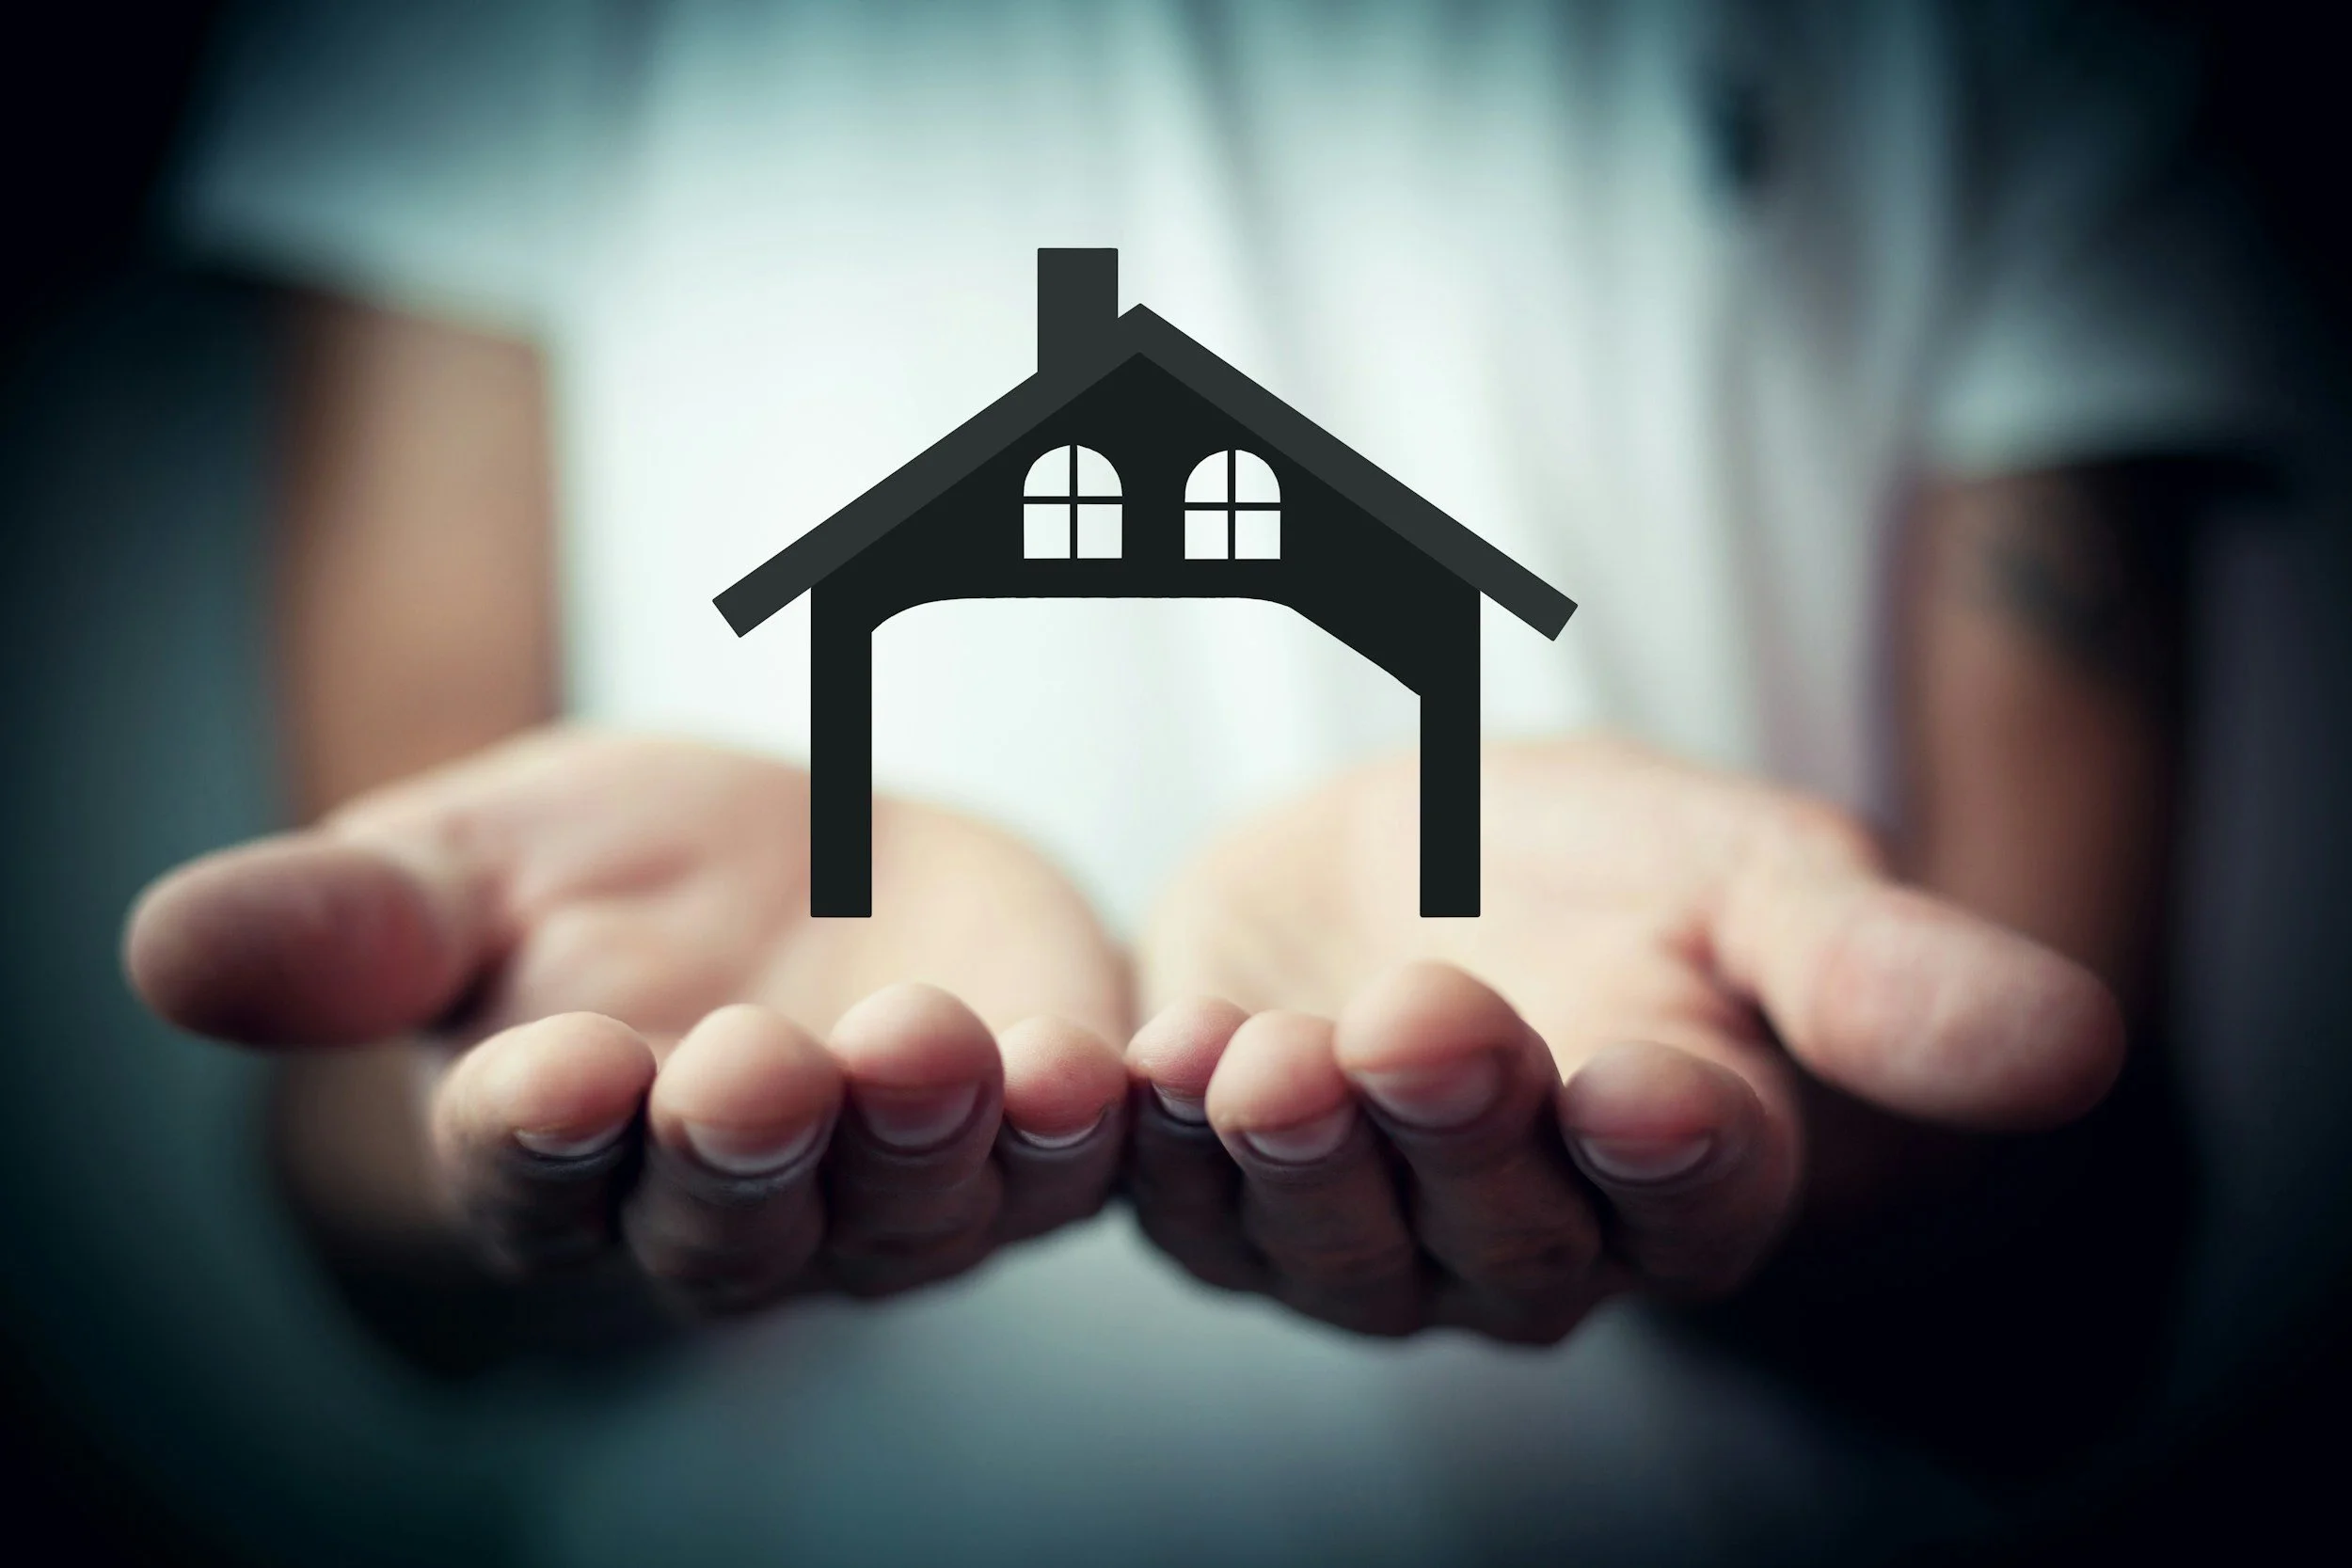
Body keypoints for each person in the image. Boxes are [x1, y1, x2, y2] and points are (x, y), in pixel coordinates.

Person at [123, 1, 2300, 1561]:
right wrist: (508, 1103)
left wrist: (1790, 1140)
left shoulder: (2049, 39)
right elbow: (363, 1154)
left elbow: (2067, 1279)